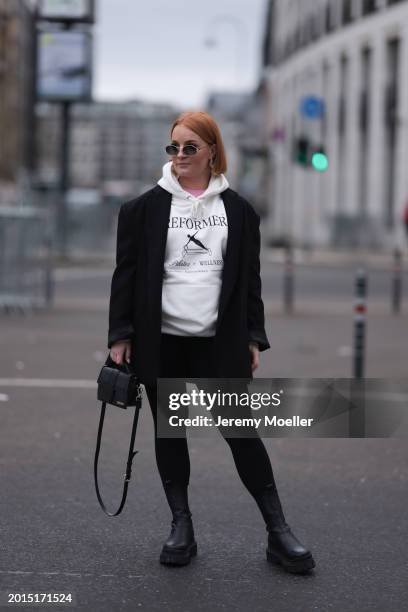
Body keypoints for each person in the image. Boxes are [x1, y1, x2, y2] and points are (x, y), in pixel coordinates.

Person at [107, 110, 315, 574]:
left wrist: (254, 337)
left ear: (212, 152)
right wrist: (119, 334)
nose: (179, 156)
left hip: (218, 342)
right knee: (169, 431)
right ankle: (182, 526)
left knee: (241, 433)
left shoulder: (238, 212)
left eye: (189, 148)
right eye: (173, 147)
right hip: (162, 341)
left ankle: (278, 532)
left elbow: (250, 282)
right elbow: (127, 275)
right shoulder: (142, 210)